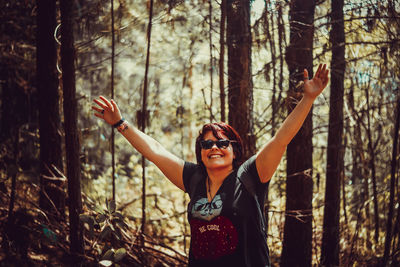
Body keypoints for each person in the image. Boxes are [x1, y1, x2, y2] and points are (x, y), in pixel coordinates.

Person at [93, 64, 330, 266]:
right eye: (206, 144)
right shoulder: (193, 178)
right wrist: (120, 124)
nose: (213, 147)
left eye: (221, 142)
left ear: (234, 149)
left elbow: (281, 139)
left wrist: (308, 98)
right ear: (200, 152)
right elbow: (155, 151)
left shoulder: (250, 175)